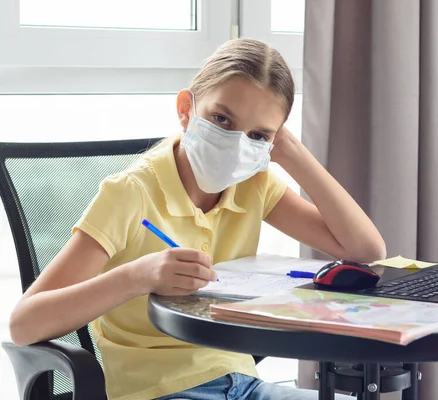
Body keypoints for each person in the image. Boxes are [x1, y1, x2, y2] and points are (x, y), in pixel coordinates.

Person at [8, 38, 386, 400]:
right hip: (156, 391)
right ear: (186, 110)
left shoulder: (253, 184)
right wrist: (136, 277)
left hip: (243, 383)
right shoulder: (131, 193)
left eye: (257, 134)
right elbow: (25, 324)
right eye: (221, 118)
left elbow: (365, 249)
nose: (236, 144)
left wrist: (292, 153)